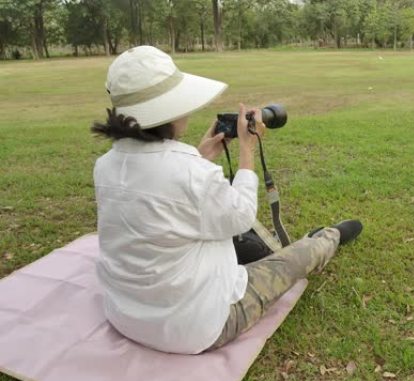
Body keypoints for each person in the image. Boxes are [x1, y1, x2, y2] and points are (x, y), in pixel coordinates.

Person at [92, 46, 362, 354]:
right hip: (196, 326)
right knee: (290, 262)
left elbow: (163, 190)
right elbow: (242, 215)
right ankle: (330, 237)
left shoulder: (105, 165)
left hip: (125, 314)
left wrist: (199, 155)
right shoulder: (189, 172)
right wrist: (247, 149)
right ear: (169, 111)